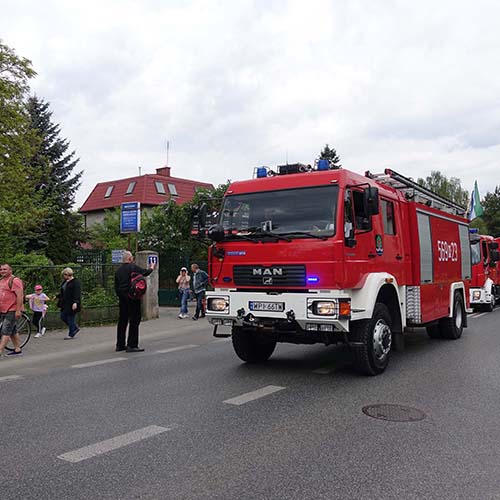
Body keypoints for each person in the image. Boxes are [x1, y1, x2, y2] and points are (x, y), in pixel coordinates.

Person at [114, 251, 155, 352]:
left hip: (122, 298)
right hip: (133, 297)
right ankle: (132, 345)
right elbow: (145, 272)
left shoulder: (118, 270)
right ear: (130, 259)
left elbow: (116, 286)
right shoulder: (133, 267)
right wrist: (152, 267)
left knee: (122, 321)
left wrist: (120, 295)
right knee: (134, 320)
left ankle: (120, 345)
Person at [0, 263, 24, 356]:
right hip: (3, 309)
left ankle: (0, 350)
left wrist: (18, 310)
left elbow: (20, 296)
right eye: (1, 269)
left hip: (12, 309)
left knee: (5, 330)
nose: (2, 271)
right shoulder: (1, 281)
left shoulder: (15, 280)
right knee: (12, 330)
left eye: (5, 269)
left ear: (10, 270)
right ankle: (17, 349)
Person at [57, 267, 81, 339]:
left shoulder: (75, 282)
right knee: (63, 316)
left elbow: (77, 293)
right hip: (65, 303)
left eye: (64, 275)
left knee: (70, 318)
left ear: (67, 274)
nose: (63, 277)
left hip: (72, 303)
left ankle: (71, 334)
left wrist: (75, 302)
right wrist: (57, 296)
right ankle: (75, 328)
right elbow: (63, 291)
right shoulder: (65, 281)